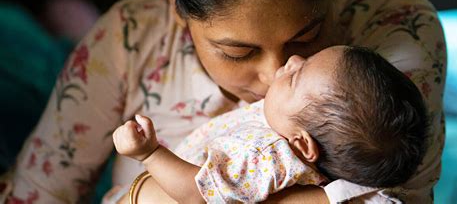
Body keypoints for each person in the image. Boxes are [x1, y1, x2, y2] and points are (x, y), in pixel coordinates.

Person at [0, 0, 446, 203]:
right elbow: (40, 191)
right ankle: (67, 28)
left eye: (308, 38)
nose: (276, 73)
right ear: (175, 1)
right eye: (238, 52)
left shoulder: (395, 25)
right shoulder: (131, 35)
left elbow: (391, 194)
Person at [113, 46, 429, 203]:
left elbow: (200, 194)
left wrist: (149, 153)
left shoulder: (266, 155)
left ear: (303, 144)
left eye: (296, 76)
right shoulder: (285, 129)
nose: (290, 60)